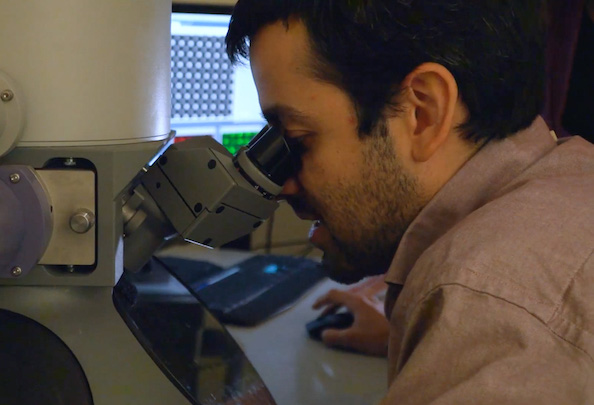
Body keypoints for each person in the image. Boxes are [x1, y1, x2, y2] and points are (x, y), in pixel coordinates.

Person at [226, 1, 594, 403]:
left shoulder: (494, 308)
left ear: (423, 112)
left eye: (296, 141)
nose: (282, 187)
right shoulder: (570, 179)